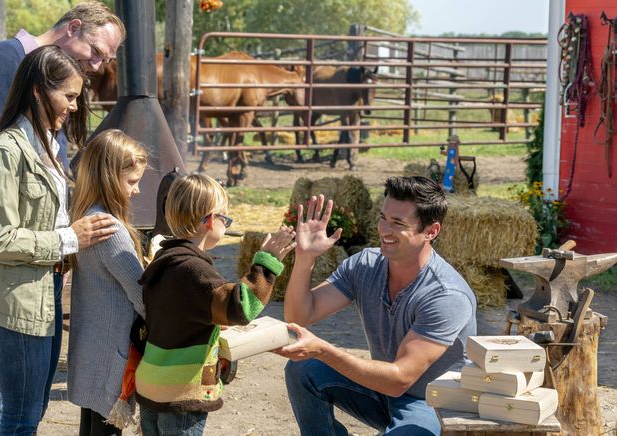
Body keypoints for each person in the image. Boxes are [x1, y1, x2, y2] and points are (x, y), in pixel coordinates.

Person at [0, 45, 103, 435]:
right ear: (38, 91)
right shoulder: (5, 152)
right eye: (68, 96)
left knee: (29, 408)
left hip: (40, 286)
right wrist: (69, 239)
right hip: (15, 294)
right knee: (21, 416)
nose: (73, 106)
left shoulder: (49, 148)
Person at [277, 176, 477, 436]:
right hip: (384, 390)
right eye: (383, 217)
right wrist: (305, 258)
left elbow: (399, 379)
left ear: (431, 231)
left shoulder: (446, 295)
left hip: (433, 403)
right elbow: (300, 315)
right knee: (302, 368)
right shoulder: (365, 265)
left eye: (398, 223)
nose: (384, 229)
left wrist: (324, 350)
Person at [134, 174, 297, 436]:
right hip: (181, 392)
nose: (227, 224)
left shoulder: (164, 260)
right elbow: (241, 307)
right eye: (226, 219)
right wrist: (267, 263)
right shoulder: (193, 270)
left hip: (153, 385)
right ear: (210, 220)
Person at [0, 1, 125, 218]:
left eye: (106, 60)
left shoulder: (57, 74)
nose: (97, 66)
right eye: (96, 51)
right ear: (73, 28)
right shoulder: (5, 58)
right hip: (1, 224)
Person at [67, 129, 148, 436]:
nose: (137, 190)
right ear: (110, 178)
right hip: (111, 355)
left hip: (93, 349)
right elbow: (140, 294)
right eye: (131, 182)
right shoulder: (110, 230)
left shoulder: (88, 216)